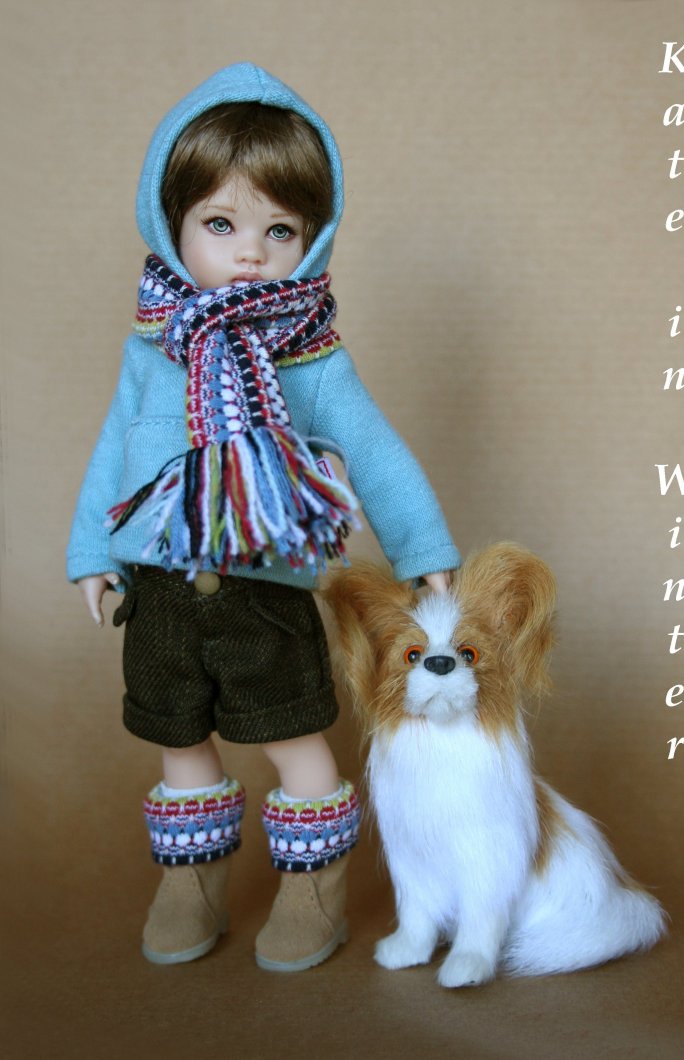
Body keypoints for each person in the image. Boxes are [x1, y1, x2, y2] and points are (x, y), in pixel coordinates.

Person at [67, 63, 460, 972]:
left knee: (292, 740)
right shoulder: (152, 349)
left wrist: (421, 547)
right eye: (221, 224)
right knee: (180, 742)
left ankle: (312, 887)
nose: (250, 253)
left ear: (312, 237)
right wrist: (93, 551)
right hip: (160, 596)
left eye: (278, 230)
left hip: (263, 597)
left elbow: (375, 451)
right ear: (168, 221)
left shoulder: (310, 356)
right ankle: (192, 881)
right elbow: (111, 450)